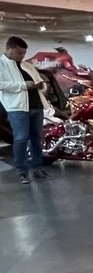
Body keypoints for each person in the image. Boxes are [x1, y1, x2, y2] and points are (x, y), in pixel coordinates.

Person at [0, 36, 49, 184]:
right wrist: (24, 85)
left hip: (36, 106)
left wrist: (42, 86)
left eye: (24, 53)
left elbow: (39, 82)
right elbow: (2, 85)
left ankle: (37, 167)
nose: (22, 56)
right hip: (17, 108)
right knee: (21, 138)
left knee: (37, 139)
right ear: (9, 49)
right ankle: (22, 170)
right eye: (19, 53)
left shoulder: (27, 66)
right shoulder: (1, 65)